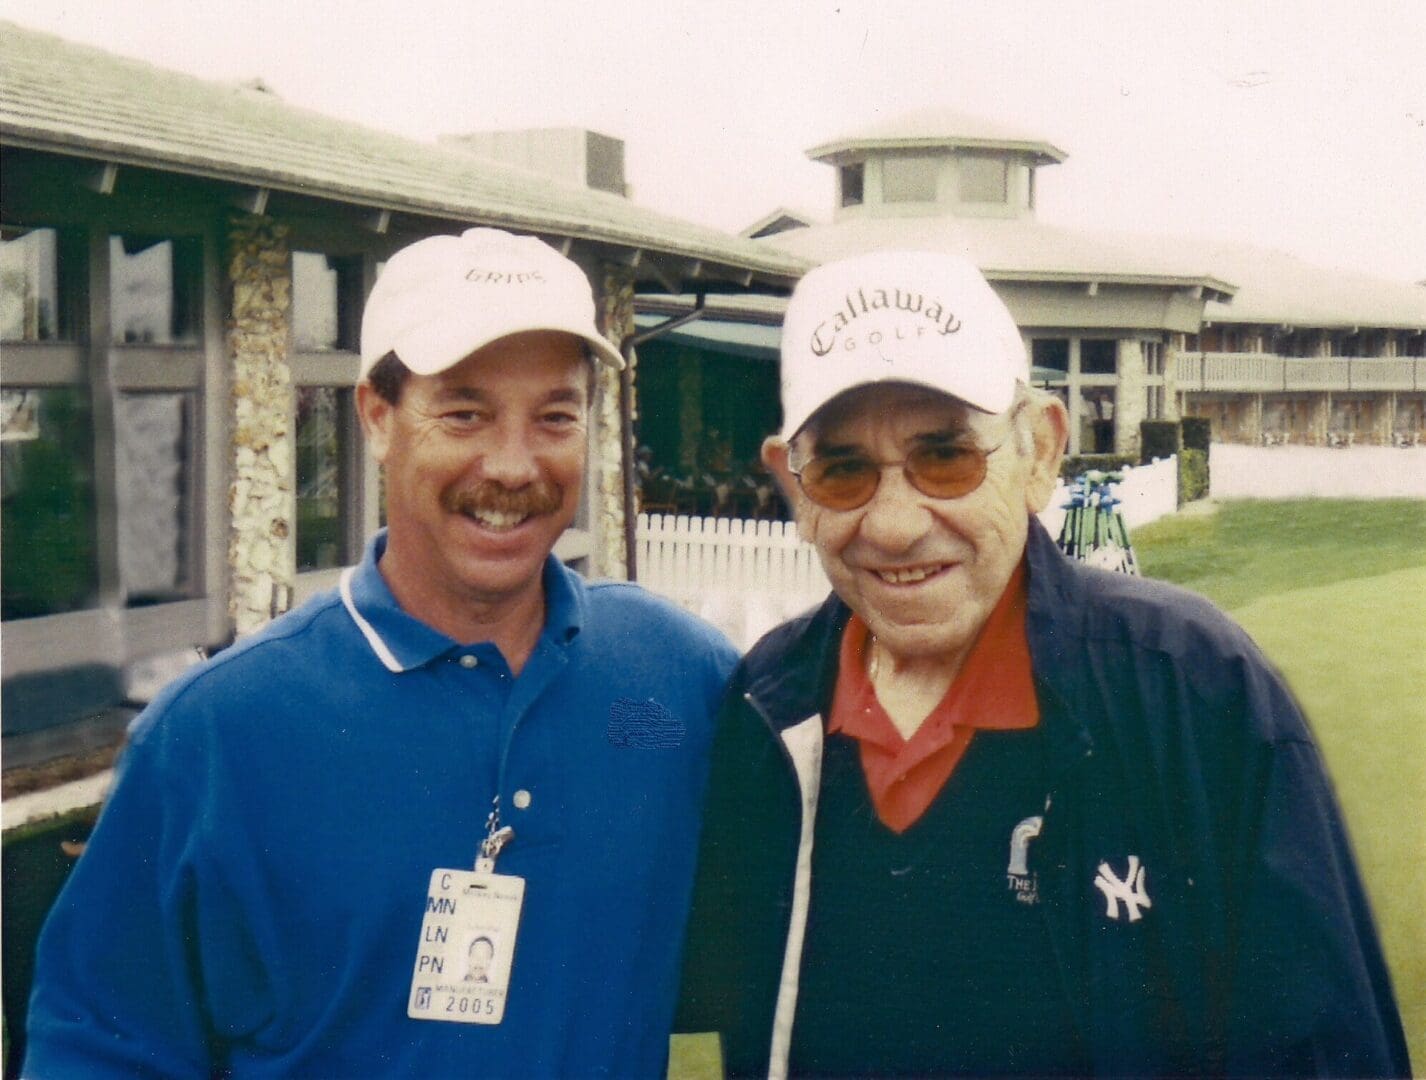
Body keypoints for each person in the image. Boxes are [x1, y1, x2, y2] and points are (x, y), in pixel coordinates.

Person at [675, 250, 1410, 1078]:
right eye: (844, 470)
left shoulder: (1194, 691)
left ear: (1041, 452)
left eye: (945, 457)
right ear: (794, 484)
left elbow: (1327, 1054)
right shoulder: (768, 706)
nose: (893, 524)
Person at [24, 228, 738, 1077]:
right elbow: (100, 1049)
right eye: (464, 413)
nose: (512, 465)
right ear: (376, 417)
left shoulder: (676, 681)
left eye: (555, 415)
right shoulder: (214, 736)